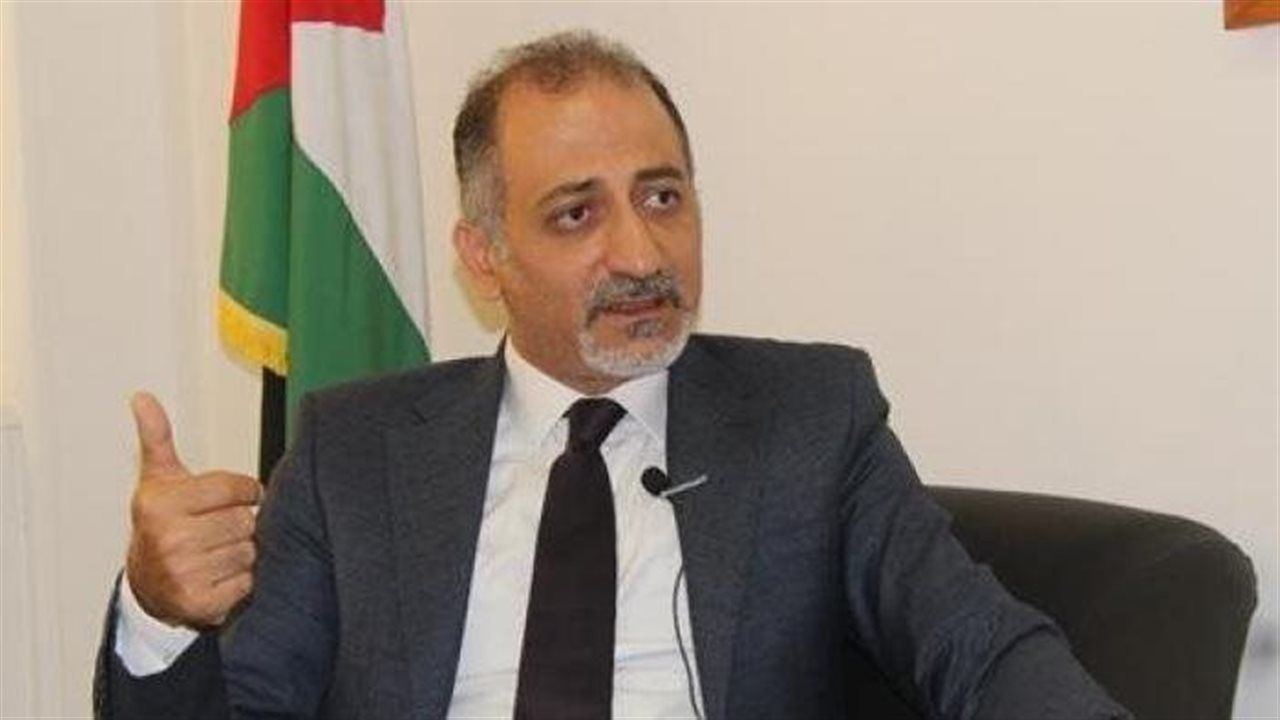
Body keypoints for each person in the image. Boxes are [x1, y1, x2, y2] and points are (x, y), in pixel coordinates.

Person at [95, 31, 1130, 720]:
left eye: (662, 197)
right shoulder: (354, 452)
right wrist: (158, 610)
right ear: (483, 257)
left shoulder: (811, 419)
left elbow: (976, 649)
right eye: (576, 214)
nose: (639, 253)